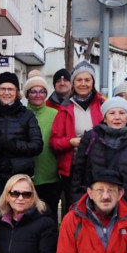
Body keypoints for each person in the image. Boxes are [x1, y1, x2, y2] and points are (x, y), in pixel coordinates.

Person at [70, 96, 127, 215]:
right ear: (104, 117)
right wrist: (79, 202)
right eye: (112, 113)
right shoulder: (91, 138)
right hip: (94, 206)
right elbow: (78, 175)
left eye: (122, 113)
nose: (117, 117)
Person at [49, 62, 104, 215]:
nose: (83, 84)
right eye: (79, 80)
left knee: (98, 206)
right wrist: (70, 142)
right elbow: (54, 142)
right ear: (73, 83)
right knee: (74, 208)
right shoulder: (64, 108)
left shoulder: (102, 104)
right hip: (73, 168)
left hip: (98, 165)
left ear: (93, 82)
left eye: (87, 80)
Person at [0, 72, 43, 188]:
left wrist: (12, 145)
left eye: (10, 89)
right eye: (3, 89)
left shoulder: (27, 115)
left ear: (17, 92)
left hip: (20, 174)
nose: (6, 93)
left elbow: (37, 145)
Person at [23, 76, 61, 220]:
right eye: (33, 91)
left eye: (42, 91)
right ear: (27, 94)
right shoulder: (21, 113)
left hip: (50, 177)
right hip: (26, 176)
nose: (38, 95)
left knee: (48, 217)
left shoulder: (55, 114)